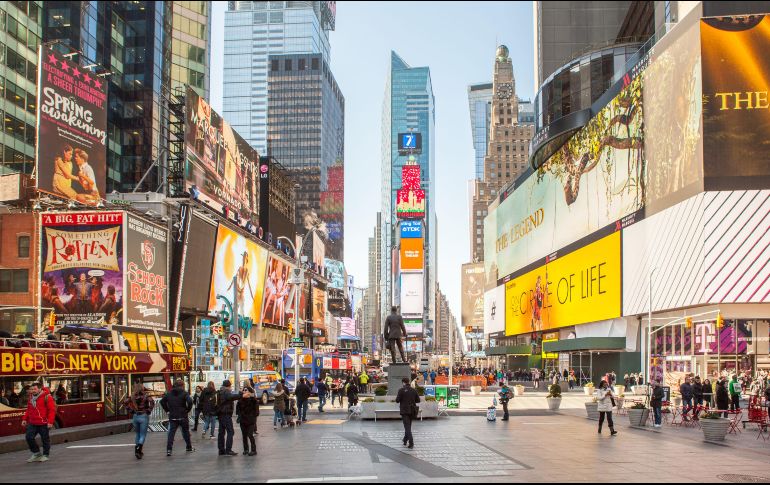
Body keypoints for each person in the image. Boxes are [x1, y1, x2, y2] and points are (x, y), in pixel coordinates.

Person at [22, 382, 56, 463]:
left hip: (43, 423)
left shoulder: (47, 397)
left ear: (40, 389)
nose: (32, 391)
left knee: (45, 439)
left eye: (34, 389)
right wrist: (24, 419)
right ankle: (36, 453)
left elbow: (52, 410)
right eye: (31, 389)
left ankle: (45, 455)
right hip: (33, 422)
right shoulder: (31, 397)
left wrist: (50, 422)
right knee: (29, 437)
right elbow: (29, 409)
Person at [160, 379, 194, 457]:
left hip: (173, 416)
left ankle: (169, 450)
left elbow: (162, 402)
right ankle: (189, 447)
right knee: (186, 432)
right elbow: (190, 402)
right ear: (182, 385)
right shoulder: (184, 393)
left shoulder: (169, 393)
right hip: (183, 415)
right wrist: (187, 410)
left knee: (171, 434)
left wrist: (167, 410)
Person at [123, 384, 155, 459]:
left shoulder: (132, 396)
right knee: (143, 435)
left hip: (135, 416)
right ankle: (139, 450)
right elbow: (152, 402)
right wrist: (149, 410)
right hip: (144, 415)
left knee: (137, 434)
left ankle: (136, 450)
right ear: (142, 388)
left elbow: (124, 403)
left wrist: (131, 411)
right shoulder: (146, 395)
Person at [216, 380, 245, 456]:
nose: (231, 388)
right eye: (230, 386)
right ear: (228, 386)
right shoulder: (226, 391)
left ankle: (221, 450)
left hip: (220, 414)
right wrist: (241, 395)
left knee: (221, 432)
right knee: (230, 431)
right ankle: (228, 450)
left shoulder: (220, 391)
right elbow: (231, 397)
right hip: (226, 414)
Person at [395, 377, 420, 449]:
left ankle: (411, 442)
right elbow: (418, 400)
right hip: (412, 411)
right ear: (408, 382)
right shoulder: (413, 390)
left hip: (404, 411)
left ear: (403, 382)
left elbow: (397, 400)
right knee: (408, 426)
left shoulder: (401, 390)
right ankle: (405, 439)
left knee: (407, 427)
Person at [236, 384, 259, 456]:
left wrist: (252, 417)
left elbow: (256, 412)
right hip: (243, 420)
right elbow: (237, 411)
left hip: (251, 420)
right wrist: (240, 416)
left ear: (250, 392)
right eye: (244, 390)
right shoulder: (240, 401)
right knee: (244, 436)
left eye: (246, 390)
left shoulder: (254, 401)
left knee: (250, 435)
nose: (244, 391)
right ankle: (246, 449)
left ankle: (253, 450)